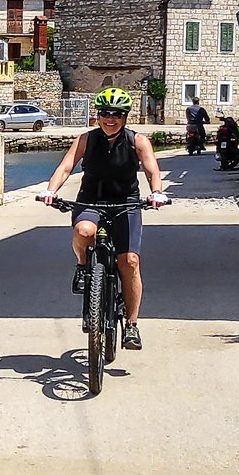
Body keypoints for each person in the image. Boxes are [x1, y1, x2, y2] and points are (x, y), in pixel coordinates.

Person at [37, 87, 169, 350]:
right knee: (84, 231)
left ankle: (131, 324)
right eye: (105, 113)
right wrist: (51, 190)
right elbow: (66, 166)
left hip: (126, 203)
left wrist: (156, 193)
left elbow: (152, 170)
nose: (111, 119)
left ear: (125, 117)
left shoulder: (137, 141)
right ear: (98, 115)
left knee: (129, 262)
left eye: (117, 114)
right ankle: (83, 265)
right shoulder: (86, 139)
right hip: (91, 201)